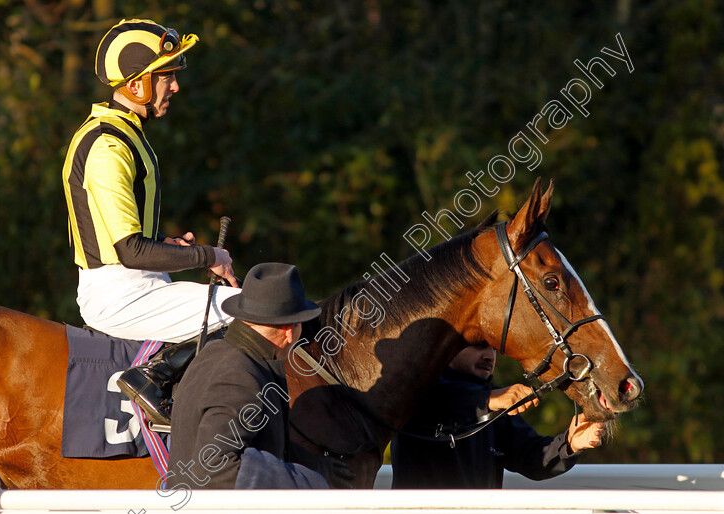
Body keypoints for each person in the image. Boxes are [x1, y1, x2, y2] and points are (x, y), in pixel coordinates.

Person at [61, 19, 241, 425]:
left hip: (135, 283)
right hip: (118, 293)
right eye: (166, 77)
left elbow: (127, 235)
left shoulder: (125, 133)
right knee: (245, 308)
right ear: (137, 84)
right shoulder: (108, 144)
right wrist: (206, 254)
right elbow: (129, 250)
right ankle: (152, 378)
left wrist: (170, 244)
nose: (174, 87)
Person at [168, 262, 355, 489]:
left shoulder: (216, 353)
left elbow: (259, 443)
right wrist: (310, 483)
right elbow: (215, 467)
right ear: (289, 331)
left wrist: (319, 466)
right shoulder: (240, 375)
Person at [390, 341, 606, 489]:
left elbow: (534, 459)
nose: (489, 356)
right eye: (478, 346)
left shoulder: (499, 408)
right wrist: (490, 399)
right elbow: (443, 400)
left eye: (494, 349)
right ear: (447, 349)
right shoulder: (416, 392)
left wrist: (570, 444)